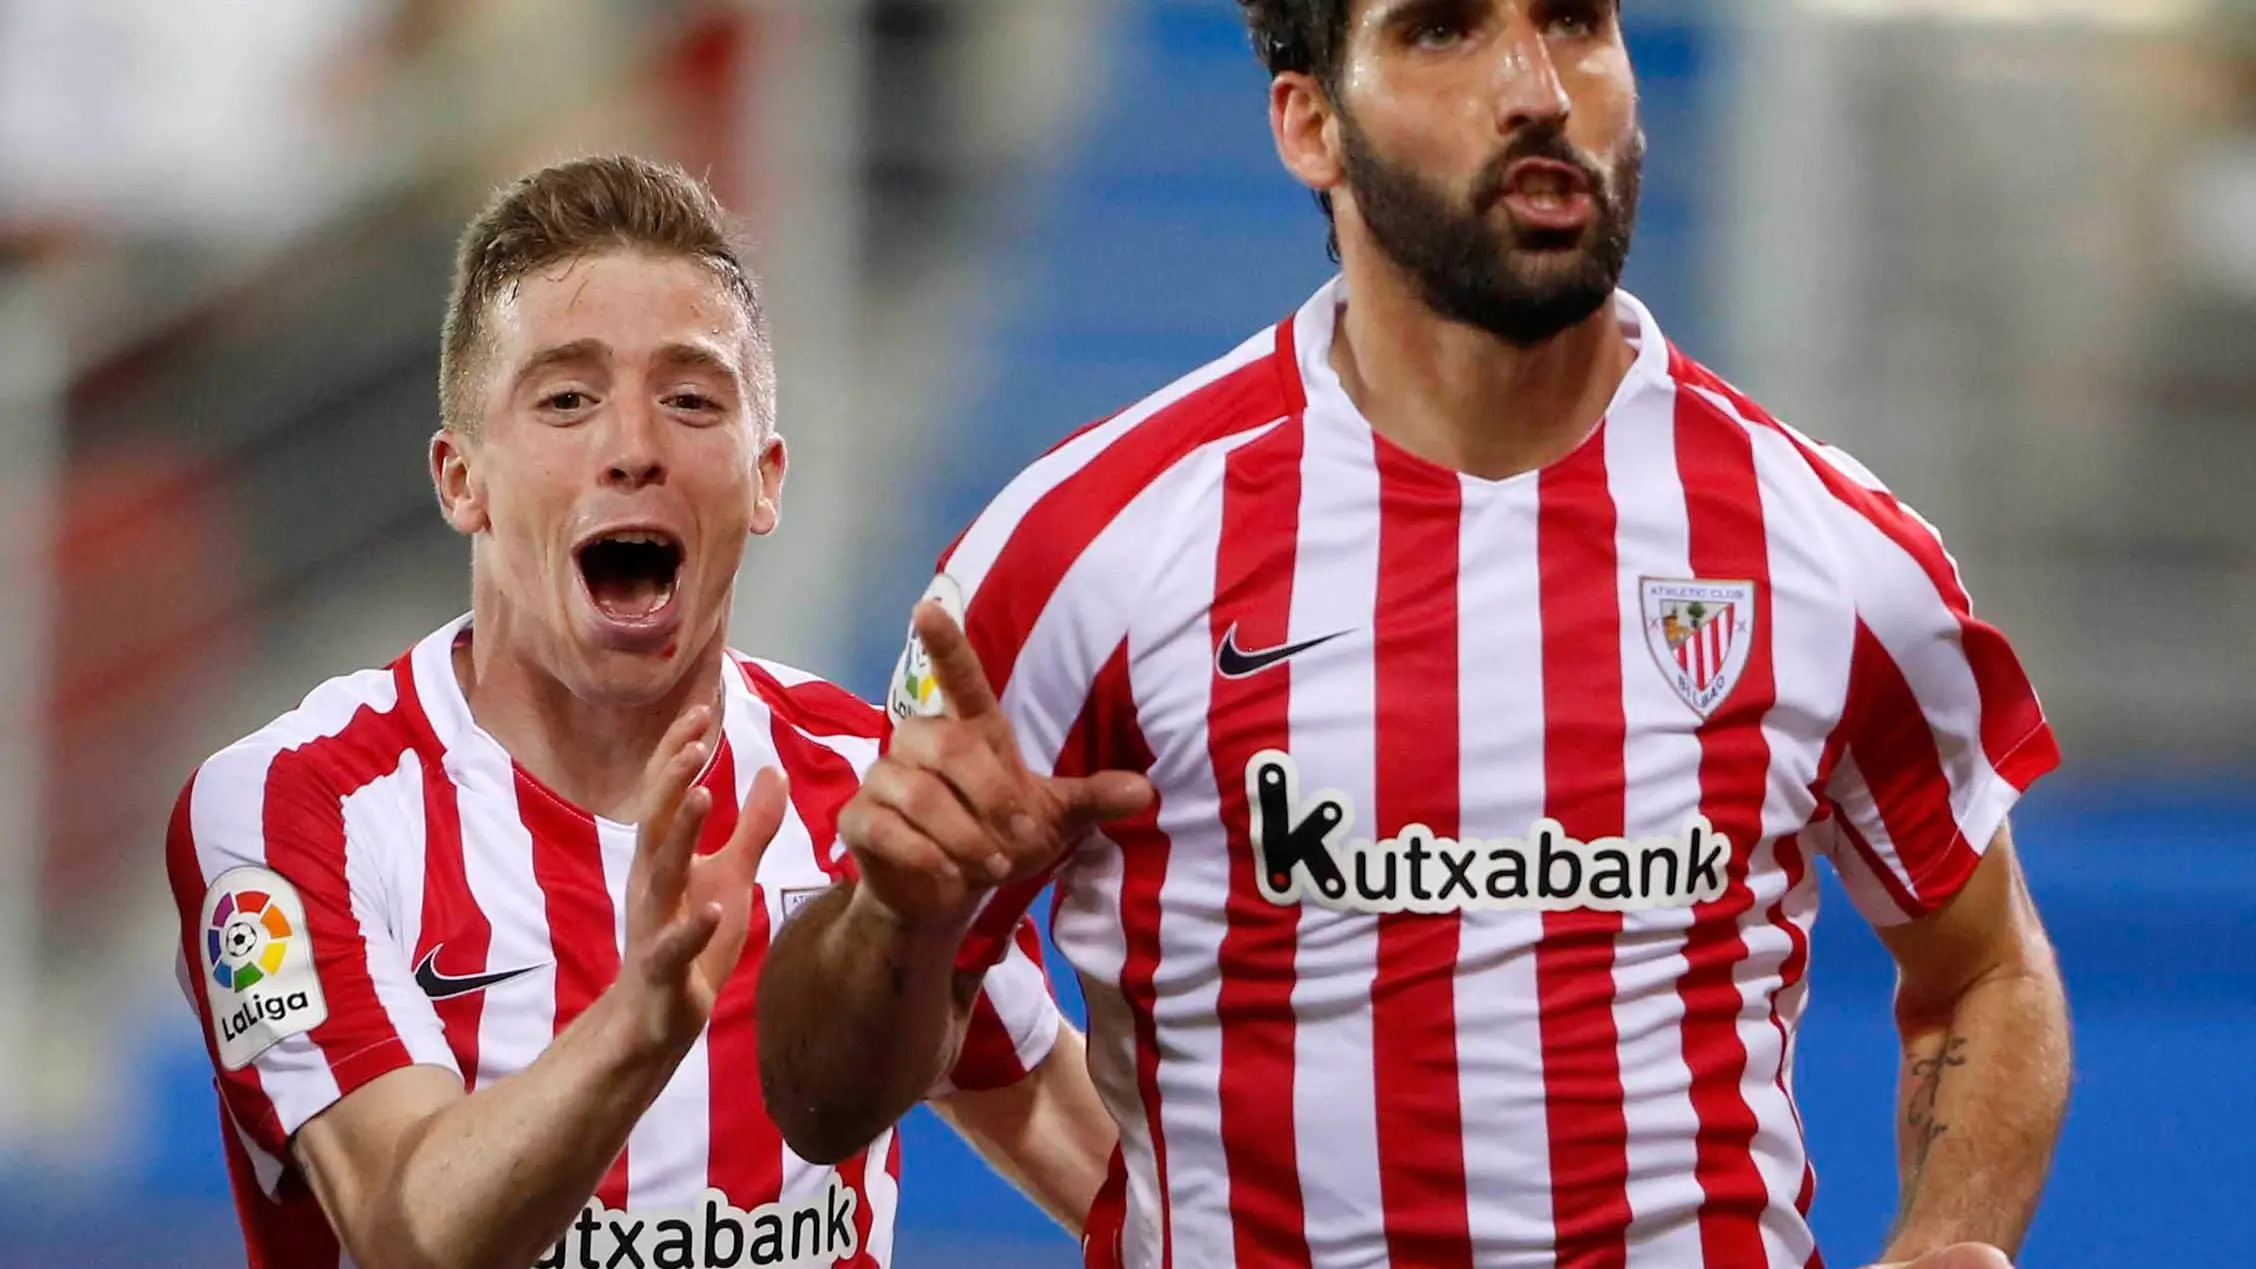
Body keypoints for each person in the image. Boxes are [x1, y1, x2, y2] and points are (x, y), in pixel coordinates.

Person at [753, 4, 2072, 1268]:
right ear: (1309, 124)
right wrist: (896, 924)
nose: (1539, 89)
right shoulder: (1084, 552)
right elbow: (814, 1103)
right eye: (1442, 26)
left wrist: (1943, 1239)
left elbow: (1988, 970)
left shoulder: (1827, 547)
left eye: (1574, 20)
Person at [164, 154, 1115, 1269]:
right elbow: (404, 1236)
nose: (633, 448)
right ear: (460, 477)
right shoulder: (297, 809)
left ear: (765, 481)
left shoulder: (863, 789)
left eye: (691, 398)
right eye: (567, 398)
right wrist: (643, 1023)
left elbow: (1123, 1190)